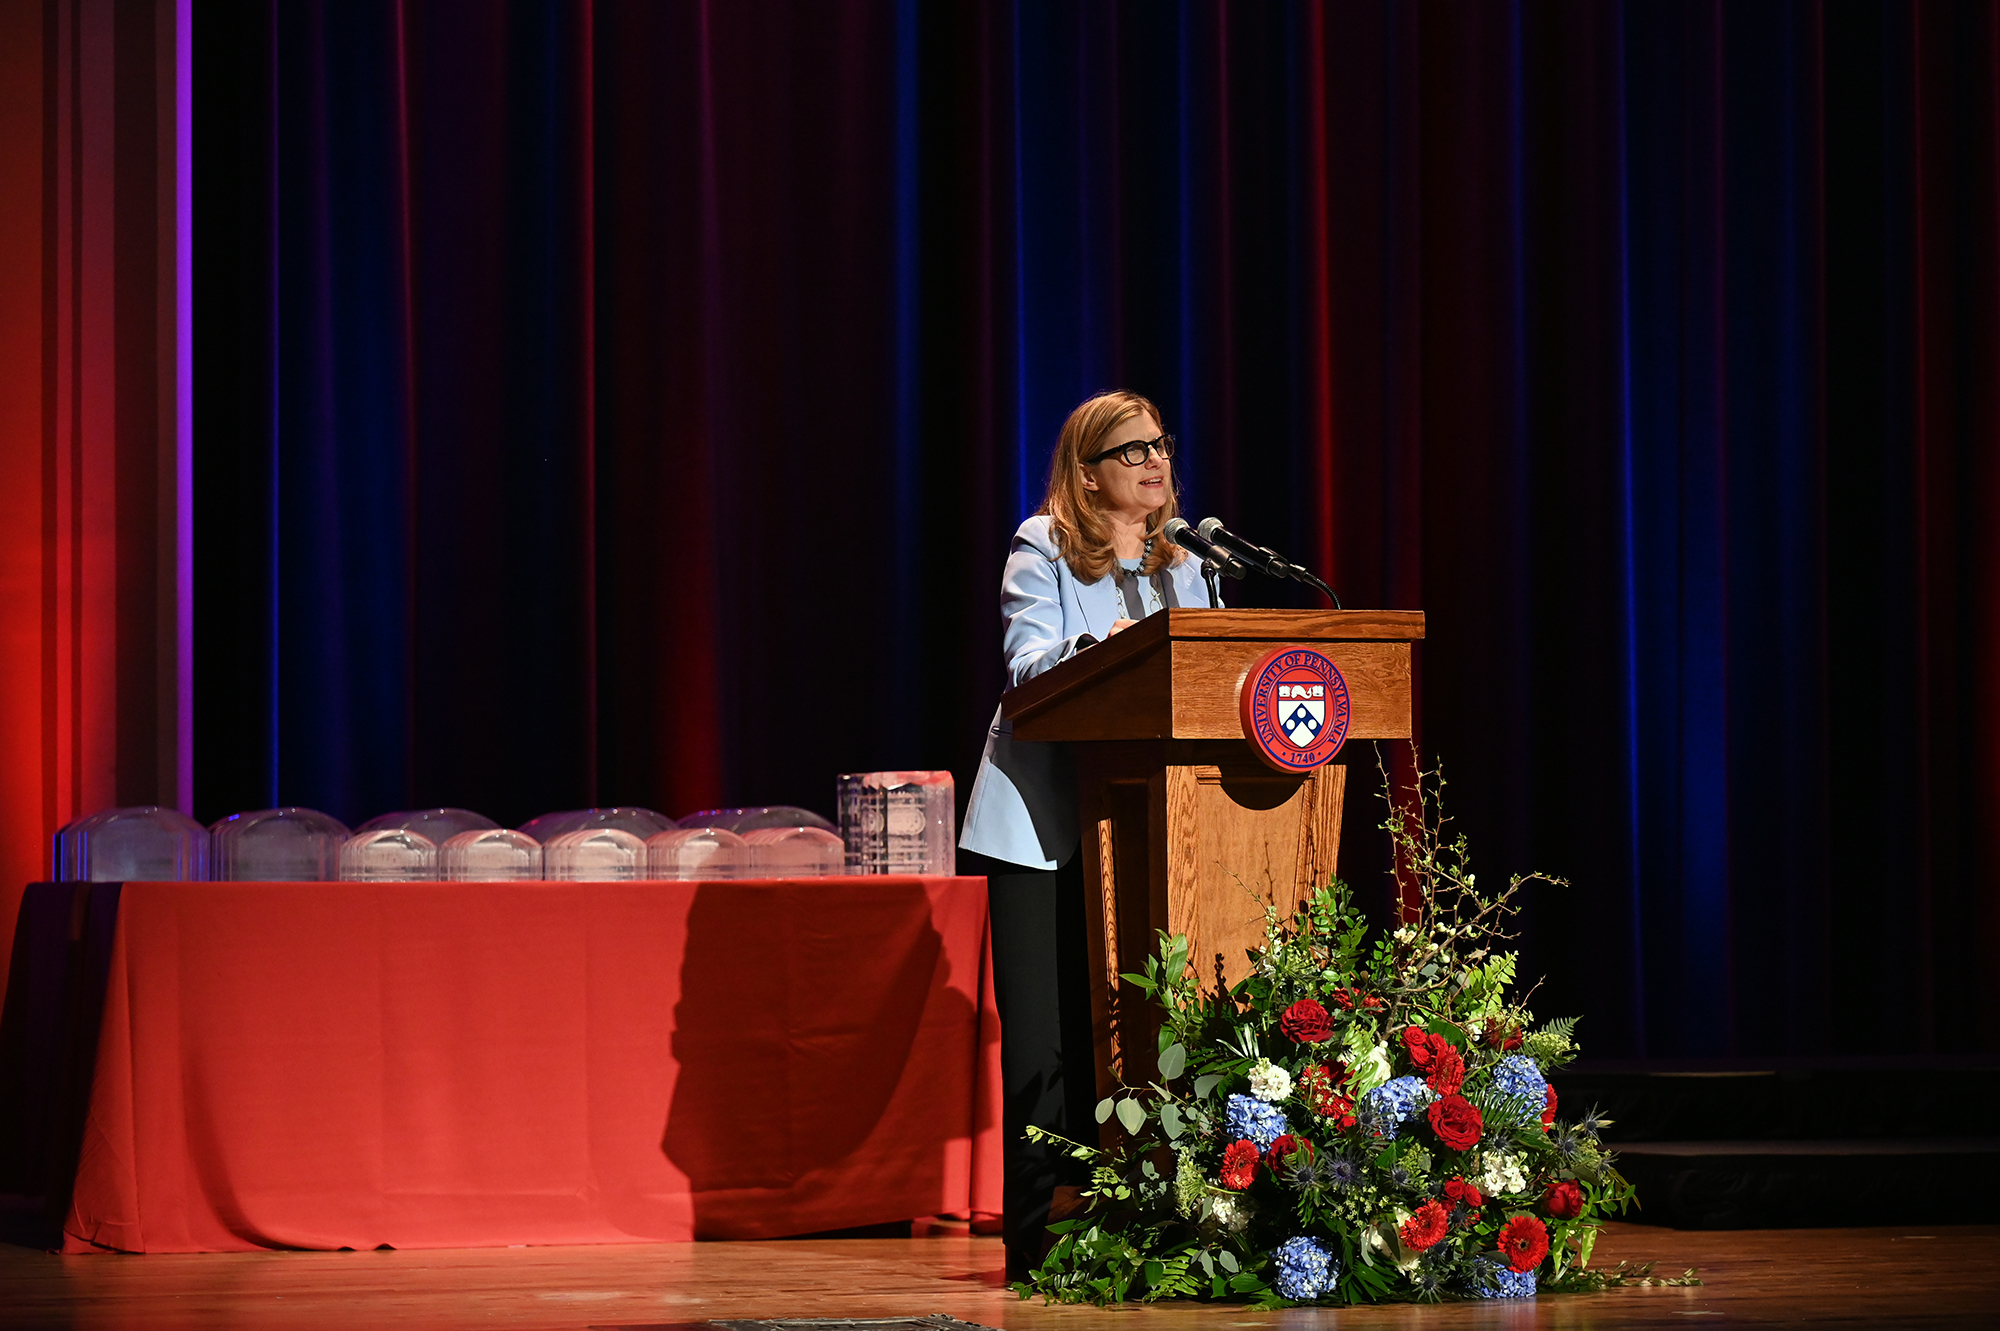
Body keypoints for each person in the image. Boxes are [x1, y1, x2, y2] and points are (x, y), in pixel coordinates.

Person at [959, 390, 1215, 1278]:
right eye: (1131, 449)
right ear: (1088, 472)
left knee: (1139, 1022)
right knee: (1051, 1035)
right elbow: (1029, 669)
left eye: (1160, 445)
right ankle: (1045, 1233)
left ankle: (1153, 1217)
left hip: (1154, 830)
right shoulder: (1044, 549)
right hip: (1042, 830)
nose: (1154, 461)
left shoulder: (1189, 563)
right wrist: (1104, 651)